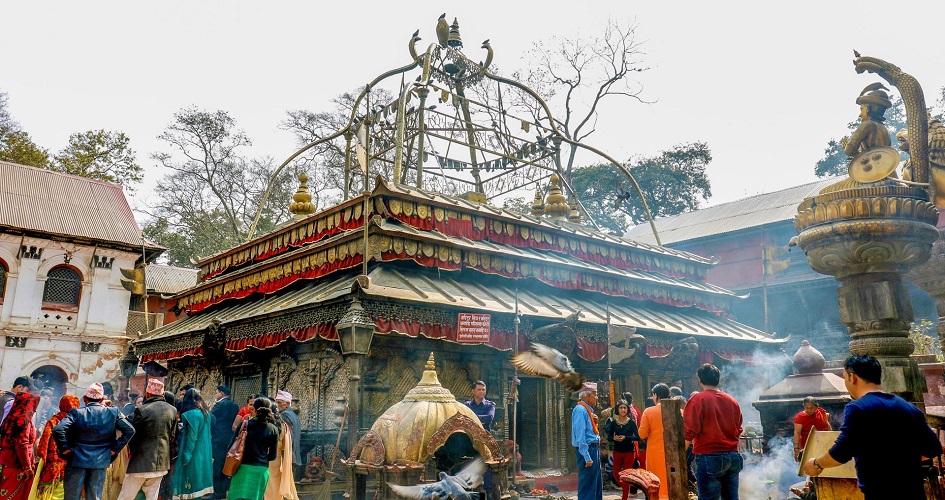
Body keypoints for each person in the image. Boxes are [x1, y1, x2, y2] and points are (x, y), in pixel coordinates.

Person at [802, 355, 943, 499]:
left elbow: (842, 451)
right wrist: (902, 460)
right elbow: (933, 448)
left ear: (853, 377)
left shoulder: (858, 407)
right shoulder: (908, 407)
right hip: (914, 493)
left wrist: (816, 464)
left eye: (845, 378)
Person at [53, 383, 135, 500]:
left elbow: (58, 429)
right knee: (94, 497)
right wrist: (114, 449)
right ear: (102, 399)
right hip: (100, 461)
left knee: (72, 497)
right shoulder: (113, 412)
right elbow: (129, 430)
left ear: (85, 399)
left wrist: (64, 448)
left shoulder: (77, 413)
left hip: (76, 460)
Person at [683, 364, 743, 500]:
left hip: (710, 457)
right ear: (718, 379)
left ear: (700, 380)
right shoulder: (732, 400)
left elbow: (690, 431)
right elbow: (738, 429)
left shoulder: (698, 399)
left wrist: (681, 454)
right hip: (733, 456)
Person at [118, 379, 178, 500]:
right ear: (162, 394)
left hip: (140, 462)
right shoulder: (172, 410)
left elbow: (133, 435)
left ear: (148, 393)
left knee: (126, 496)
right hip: (161, 463)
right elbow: (173, 435)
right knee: (152, 496)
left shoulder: (142, 410)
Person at [228, 398, 279, 500]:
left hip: (242, 468)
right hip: (261, 470)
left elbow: (230, 447)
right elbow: (273, 456)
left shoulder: (244, 425)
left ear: (254, 410)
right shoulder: (273, 429)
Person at [35, 395, 81, 500]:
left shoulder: (53, 421)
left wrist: (42, 459)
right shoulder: (78, 422)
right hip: (73, 464)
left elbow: (43, 445)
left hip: (53, 464)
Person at [172, 388, 214, 500]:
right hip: (203, 451)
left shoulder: (191, 414)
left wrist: (187, 455)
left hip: (193, 452)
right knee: (198, 480)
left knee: (189, 481)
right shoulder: (206, 413)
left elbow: (192, 436)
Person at [0, 391, 40, 500]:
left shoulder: (11, 418)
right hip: (17, 464)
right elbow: (21, 444)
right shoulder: (23, 421)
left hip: (6, 461)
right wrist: (27, 467)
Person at [638, 384, 669, 499]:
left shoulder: (649, 411)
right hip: (674, 453)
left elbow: (642, 434)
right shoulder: (679, 410)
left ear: (655, 396)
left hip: (655, 453)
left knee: (656, 482)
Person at [571, 382, 602, 500]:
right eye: (595, 394)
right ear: (587, 396)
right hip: (588, 449)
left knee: (595, 483)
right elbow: (580, 435)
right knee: (588, 485)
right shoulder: (580, 410)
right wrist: (586, 456)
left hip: (594, 448)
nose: (597, 397)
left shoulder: (587, 410)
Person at [603, 400, 639, 500]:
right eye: (621, 408)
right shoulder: (614, 423)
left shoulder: (631, 422)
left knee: (626, 474)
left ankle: (624, 496)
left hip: (629, 451)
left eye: (624, 408)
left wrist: (626, 437)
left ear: (627, 409)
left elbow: (637, 437)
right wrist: (614, 438)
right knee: (616, 473)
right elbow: (609, 437)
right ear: (617, 409)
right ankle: (626, 489)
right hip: (617, 450)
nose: (623, 410)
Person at [843, 86, 892, 157]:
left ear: (869, 109)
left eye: (862, 109)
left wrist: (847, 146)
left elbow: (849, 151)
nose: (860, 115)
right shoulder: (885, 129)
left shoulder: (866, 125)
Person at [210, 385, 239, 498]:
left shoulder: (219, 405)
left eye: (217, 393)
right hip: (228, 439)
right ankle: (222, 491)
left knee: (216, 465)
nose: (216, 395)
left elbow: (211, 419)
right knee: (224, 465)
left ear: (221, 393)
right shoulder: (235, 406)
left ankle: (216, 492)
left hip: (217, 438)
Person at [265, 397, 298, 500]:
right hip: (277, 460)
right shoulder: (282, 425)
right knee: (275, 484)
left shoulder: (267, 425)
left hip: (265, 459)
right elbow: (285, 446)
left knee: (268, 485)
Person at [793, 396, 830, 461]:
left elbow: (827, 425)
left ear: (817, 407)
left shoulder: (821, 412)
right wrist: (796, 449)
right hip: (807, 446)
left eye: (811, 408)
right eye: (807, 408)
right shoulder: (800, 417)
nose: (809, 410)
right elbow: (797, 433)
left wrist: (830, 439)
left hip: (822, 444)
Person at [274, 391, 302, 478]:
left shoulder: (284, 414)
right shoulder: (293, 414)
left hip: (287, 453)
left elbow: (288, 436)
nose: (277, 405)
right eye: (276, 402)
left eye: (279, 403)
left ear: (287, 404)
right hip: (293, 453)